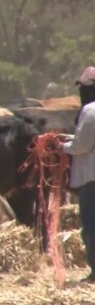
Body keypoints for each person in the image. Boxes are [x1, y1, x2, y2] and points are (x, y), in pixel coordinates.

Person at [62, 66, 95, 283]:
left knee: (91, 226)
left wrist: (62, 146)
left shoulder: (90, 110)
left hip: (92, 178)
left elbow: (82, 146)